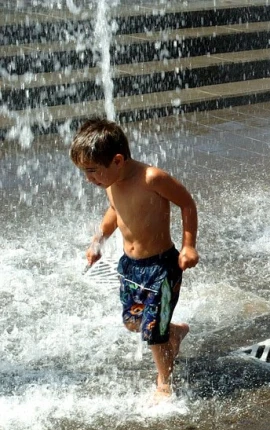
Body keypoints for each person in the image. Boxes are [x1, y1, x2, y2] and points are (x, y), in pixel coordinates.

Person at [70, 118, 199, 402]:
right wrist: (98, 242)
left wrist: (189, 246)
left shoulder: (151, 178)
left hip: (161, 267)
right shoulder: (111, 181)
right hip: (130, 267)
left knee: (152, 332)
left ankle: (164, 383)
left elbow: (187, 203)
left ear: (117, 160)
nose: (88, 179)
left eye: (92, 172)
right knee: (133, 321)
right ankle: (173, 332)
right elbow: (114, 212)